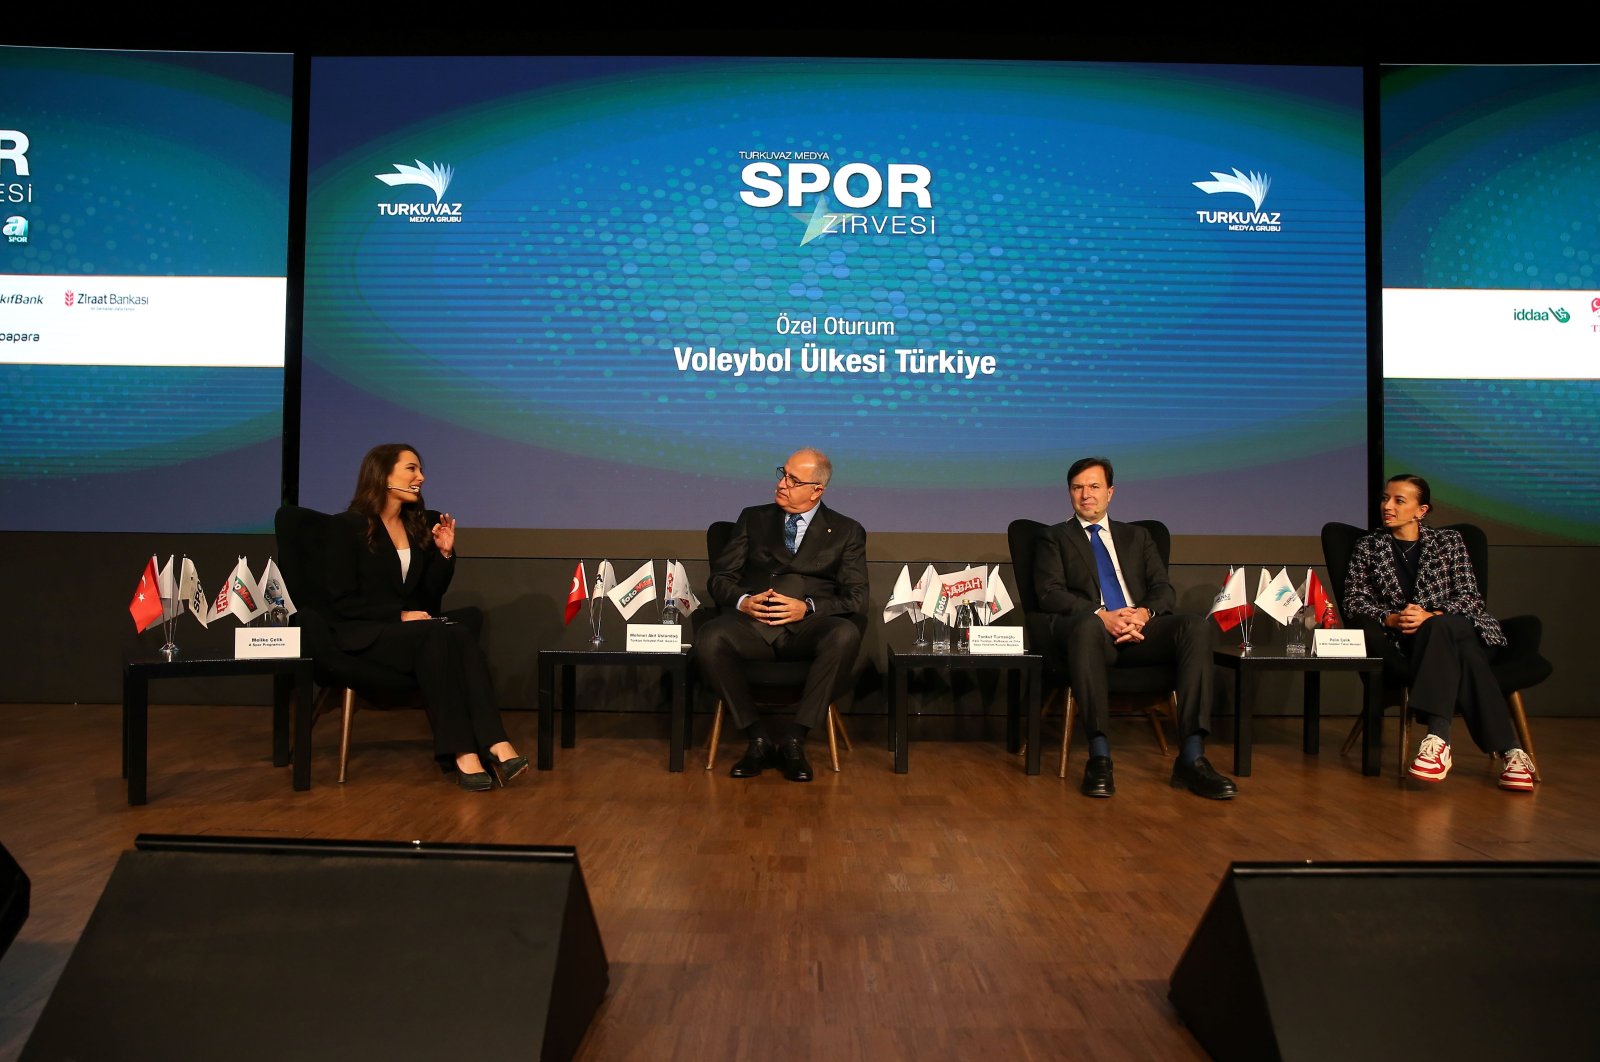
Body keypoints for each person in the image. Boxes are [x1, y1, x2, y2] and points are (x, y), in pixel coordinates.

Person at [324, 443, 527, 792]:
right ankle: (471, 750)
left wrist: (444, 555)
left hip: (409, 634)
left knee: (455, 629)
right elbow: (338, 600)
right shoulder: (347, 527)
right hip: (364, 633)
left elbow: (428, 599)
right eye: (411, 469)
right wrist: (398, 615)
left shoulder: (417, 525)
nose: (421, 477)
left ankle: (488, 746)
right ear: (383, 475)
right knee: (439, 635)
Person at [1033, 457, 1235, 799]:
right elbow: (1050, 593)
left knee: (1195, 628)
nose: (1086, 495)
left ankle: (1192, 757)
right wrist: (1101, 614)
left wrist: (1142, 614)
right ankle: (1099, 756)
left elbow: (1163, 589)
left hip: (1141, 629)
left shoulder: (1137, 537)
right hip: (1092, 632)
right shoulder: (1054, 537)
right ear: (1069, 493)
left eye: (1094, 487)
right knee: (1085, 627)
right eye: (1078, 487)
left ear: (1110, 493)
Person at [1340, 474, 1536, 791]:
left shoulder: (1449, 543)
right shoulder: (1368, 547)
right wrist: (1391, 618)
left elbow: (1470, 598)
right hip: (1413, 642)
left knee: (1441, 626)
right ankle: (1512, 752)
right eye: (1385, 498)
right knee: (1465, 656)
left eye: (1398, 500)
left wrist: (1432, 615)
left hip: (1464, 629)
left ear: (1422, 510)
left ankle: (1438, 738)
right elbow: (1354, 601)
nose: (1387, 506)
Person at [695, 448, 868, 782]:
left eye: (793, 479)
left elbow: (857, 596)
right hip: (754, 626)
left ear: (817, 489)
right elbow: (720, 579)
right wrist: (744, 600)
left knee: (845, 635)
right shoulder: (753, 518)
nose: (782, 484)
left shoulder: (846, 530)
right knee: (710, 637)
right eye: (782, 473)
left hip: (808, 628)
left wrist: (809, 607)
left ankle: (795, 738)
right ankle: (756, 736)